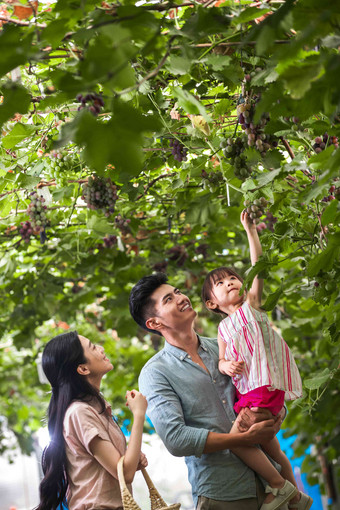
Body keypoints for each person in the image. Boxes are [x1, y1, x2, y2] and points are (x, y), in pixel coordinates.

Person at [129, 273, 286, 510]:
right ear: (154, 323)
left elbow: (266, 384)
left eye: (179, 291)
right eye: (169, 299)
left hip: (274, 487)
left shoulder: (225, 344)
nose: (182, 298)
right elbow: (176, 439)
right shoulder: (155, 373)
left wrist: (277, 416)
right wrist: (240, 440)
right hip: (222, 493)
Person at [201, 210, 312, 510]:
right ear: (212, 303)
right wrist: (226, 366)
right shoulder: (223, 328)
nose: (230, 283)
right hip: (252, 392)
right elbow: (222, 360)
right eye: (221, 283)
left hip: (262, 389)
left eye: (233, 278)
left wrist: (251, 231)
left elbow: (257, 268)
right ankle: (297, 499)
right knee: (271, 448)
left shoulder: (251, 306)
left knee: (237, 442)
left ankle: (279, 488)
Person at [36, 331, 148, 510]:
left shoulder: (95, 407)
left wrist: (133, 459)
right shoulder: (80, 412)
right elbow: (125, 474)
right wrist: (139, 414)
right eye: (93, 347)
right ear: (83, 369)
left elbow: (118, 467)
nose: (101, 349)